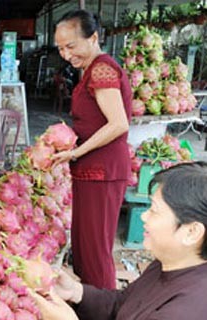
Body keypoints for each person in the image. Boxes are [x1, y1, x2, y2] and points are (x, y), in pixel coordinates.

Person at [29, 162, 207, 320]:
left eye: (154, 211)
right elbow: (125, 304)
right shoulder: (171, 263)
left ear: (192, 232)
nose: (143, 216)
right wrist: (76, 293)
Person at [51, 10, 132, 291]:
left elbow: (118, 123)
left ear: (94, 37)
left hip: (103, 170)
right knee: (85, 248)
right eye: (60, 48)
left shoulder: (101, 69)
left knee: (95, 250)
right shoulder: (89, 69)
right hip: (91, 170)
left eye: (71, 46)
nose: (65, 54)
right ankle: (94, 309)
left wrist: (75, 152)